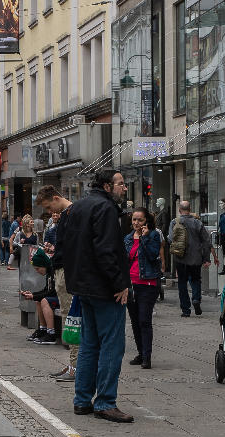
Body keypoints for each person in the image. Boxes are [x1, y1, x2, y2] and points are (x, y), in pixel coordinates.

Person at [55, 169, 133, 423]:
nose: (125, 188)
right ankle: (106, 402)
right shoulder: (106, 209)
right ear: (108, 187)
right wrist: (120, 283)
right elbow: (107, 251)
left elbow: (65, 245)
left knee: (88, 344)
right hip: (104, 288)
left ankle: (82, 400)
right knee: (112, 344)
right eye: (121, 184)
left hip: (82, 286)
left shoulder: (77, 207)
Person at [36, 185, 77, 382]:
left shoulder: (72, 214)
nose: (49, 212)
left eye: (48, 207)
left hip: (68, 273)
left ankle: (76, 367)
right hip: (63, 270)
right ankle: (73, 364)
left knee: (72, 320)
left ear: (55, 198)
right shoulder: (66, 215)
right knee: (69, 319)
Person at [125, 207, 162, 369]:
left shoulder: (153, 235)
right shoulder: (127, 238)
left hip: (148, 283)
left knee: (144, 320)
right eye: (134, 219)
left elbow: (153, 255)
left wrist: (144, 238)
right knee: (134, 321)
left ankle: (147, 356)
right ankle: (141, 353)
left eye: (140, 220)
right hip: (130, 285)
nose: (136, 223)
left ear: (146, 220)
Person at [169, 200, 215, 317]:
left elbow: (170, 239)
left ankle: (185, 310)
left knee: (182, 283)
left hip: (180, 257)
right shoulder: (197, 223)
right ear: (190, 210)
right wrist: (206, 258)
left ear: (179, 210)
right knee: (195, 280)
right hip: (195, 258)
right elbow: (206, 241)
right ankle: (196, 299)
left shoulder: (174, 222)